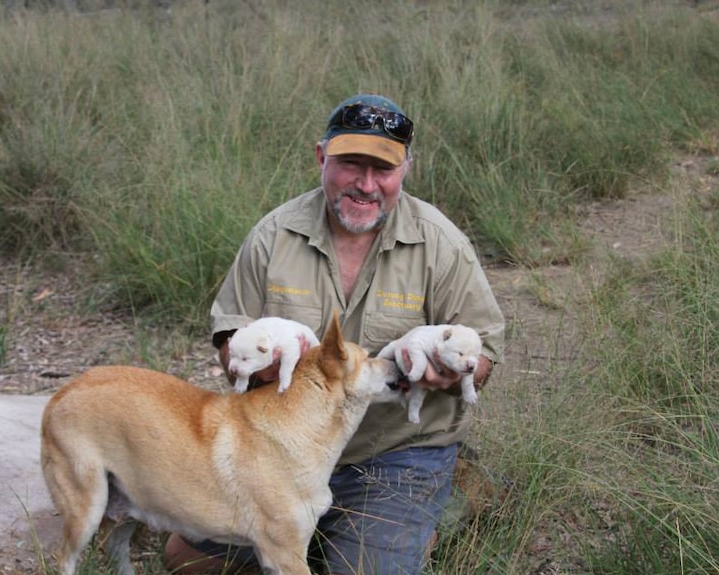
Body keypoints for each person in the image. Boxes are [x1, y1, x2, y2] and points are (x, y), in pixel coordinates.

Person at [164, 93, 506, 575]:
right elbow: (229, 339)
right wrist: (246, 361)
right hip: (282, 448)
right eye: (351, 164)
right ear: (322, 157)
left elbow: (485, 355)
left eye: (382, 169)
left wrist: (450, 374)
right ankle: (324, 533)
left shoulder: (441, 244)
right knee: (185, 563)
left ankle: (435, 510)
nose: (366, 184)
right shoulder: (273, 235)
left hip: (394, 453)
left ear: (405, 168)